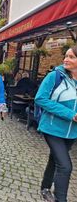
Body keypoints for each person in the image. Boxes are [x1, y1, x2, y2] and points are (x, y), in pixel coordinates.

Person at [35, 45, 77, 202]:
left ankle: (45, 187)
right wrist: (71, 115)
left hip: (72, 132)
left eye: (71, 57)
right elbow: (40, 99)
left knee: (55, 159)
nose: (66, 59)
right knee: (65, 166)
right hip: (52, 128)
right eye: (66, 56)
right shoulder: (55, 76)